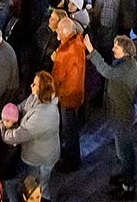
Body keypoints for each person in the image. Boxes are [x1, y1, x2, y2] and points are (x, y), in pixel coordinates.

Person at [84, 34, 137, 195]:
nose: (112, 49)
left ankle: (128, 186)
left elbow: (106, 71)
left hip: (122, 115)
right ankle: (125, 175)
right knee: (121, 149)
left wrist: (91, 50)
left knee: (125, 151)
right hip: (118, 112)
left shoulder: (126, 68)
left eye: (116, 47)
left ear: (125, 51)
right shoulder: (126, 63)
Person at [0, 71, 61, 202]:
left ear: (42, 90)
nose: (31, 86)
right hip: (37, 153)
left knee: (39, 188)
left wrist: (5, 130)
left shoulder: (43, 115)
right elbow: (22, 107)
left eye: (34, 84)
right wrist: (11, 112)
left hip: (40, 159)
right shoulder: (36, 98)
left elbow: (20, 135)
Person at [51, 17, 85, 172]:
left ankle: (71, 161)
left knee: (68, 129)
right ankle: (72, 154)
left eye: (58, 29)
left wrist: (55, 58)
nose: (56, 31)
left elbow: (56, 77)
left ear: (65, 32)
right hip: (77, 92)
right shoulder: (78, 41)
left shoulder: (64, 53)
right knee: (72, 128)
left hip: (67, 95)